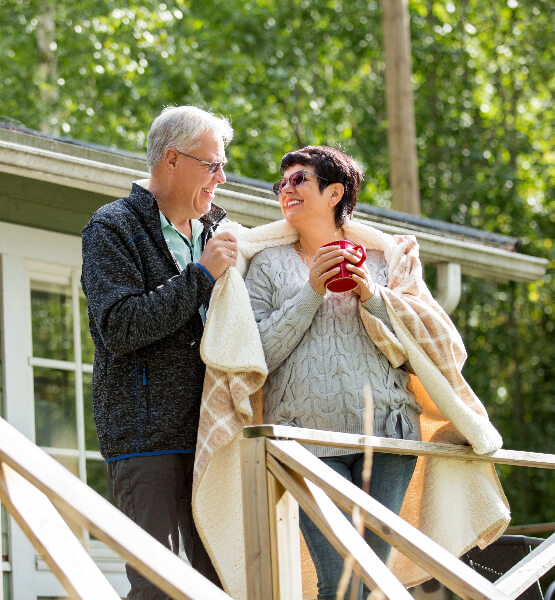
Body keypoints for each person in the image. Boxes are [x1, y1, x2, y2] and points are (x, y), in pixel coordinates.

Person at [244, 146, 422, 599]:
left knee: (370, 584)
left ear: (334, 191)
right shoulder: (264, 266)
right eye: (280, 183)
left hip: (388, 438)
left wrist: (375, 297)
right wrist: (310, 292)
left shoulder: (386, 260)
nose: (286, 190)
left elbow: (420, 351)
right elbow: (257, 357)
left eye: (298, 180)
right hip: (306, 443)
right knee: (339, 585)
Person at [81, 105, 238, 599]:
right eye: (212, 165)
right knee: (160, 589)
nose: (222, 178)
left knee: (224, 584)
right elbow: (119, 326)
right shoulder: (111, 227)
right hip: (148, 441)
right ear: (172, 159)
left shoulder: (220, 231)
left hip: (218, 435)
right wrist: (201, 277)